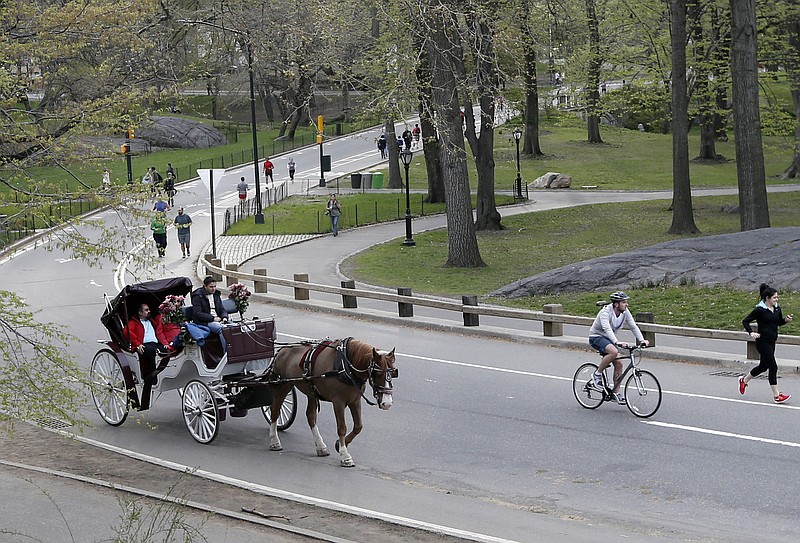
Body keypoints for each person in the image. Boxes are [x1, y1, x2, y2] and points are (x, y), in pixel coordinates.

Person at [588, 291, 649, 405]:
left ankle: (615, 393)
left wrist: (641, 340)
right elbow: (607, 329)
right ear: (616, 304)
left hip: (609, 339)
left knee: (619, 363)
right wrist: (617, 342)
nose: (627, 304)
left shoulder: (625, 312)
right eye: (624, 302)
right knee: (614, 352)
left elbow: (633, 326)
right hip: (596, 337)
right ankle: (597, 374)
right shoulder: (605, 313)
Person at [740, 284, 794, 403]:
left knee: (763, 366)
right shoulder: (760, 310)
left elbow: (778, 322)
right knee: (773, 366)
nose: (776, 299)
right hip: (762, 342)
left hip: (772, 341)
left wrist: (786, 320)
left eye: (777, 297)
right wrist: (751, 333)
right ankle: (777, 395)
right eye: (774, 298)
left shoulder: (777, 309)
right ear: (767, 298)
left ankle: (744, 380)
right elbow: (745, 321)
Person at [122, 303, 170, 410]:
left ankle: (165, 373)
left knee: (166, 351)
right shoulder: (134, 323)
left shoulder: (151, 321)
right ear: (140, 312)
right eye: (146, 310)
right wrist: (137, 343)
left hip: (155, 343)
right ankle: (152, 378)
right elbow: (126, 331)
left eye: (149, 310)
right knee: (151, 352)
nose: (149, 312)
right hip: (144, 345)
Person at [191, 276, 228, 352]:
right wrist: (213, 318)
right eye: (211, 287)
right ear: (205, 286)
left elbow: (222, 309)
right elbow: (197, 313)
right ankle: (226, 353)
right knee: (222, 330)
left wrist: (224, 317)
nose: (213, 289)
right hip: (204, 322)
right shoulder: (198, 296)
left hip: (218, 320)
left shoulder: (216, 294)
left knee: (234, 327)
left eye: (214, 286)